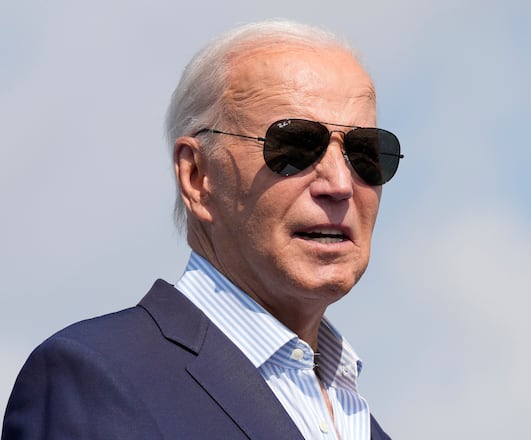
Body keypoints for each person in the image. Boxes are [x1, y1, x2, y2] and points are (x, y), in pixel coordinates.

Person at [2, 19, 402, 440]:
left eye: (365, 153)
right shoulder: (98, 379)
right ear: (197, 175)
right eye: (296, 147)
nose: (340, 184)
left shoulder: (361, 422)